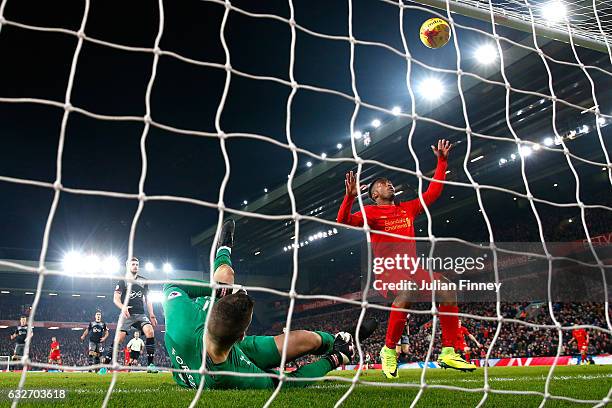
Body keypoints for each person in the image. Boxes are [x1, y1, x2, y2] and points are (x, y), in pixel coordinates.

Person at [162, 219, 378, 389]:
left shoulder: (183, 324)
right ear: (242, 336)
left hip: (210, 348)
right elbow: (288, 384)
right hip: (228, 360)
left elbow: (170, 284)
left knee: (226, 277)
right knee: (306, 339)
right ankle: (345, 345)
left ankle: (223, 251)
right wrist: (334, 360)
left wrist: (219, 290)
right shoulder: (234, 377)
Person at [337, 139, 476, 377]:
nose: (389, 185)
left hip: (413, 268)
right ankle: (388, 350)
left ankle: (449, 352)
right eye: (383, 184)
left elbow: (433, 192)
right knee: (407, 290)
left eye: (390, 183)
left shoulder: (407, 208)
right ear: (374, 194)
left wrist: (442, 162)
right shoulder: (371, 212)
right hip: (388, 270)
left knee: (447, 289)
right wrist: (349, 197)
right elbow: (343, 220)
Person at [104, 257, 158, 373]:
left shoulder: (144, 281)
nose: (135, 266)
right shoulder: (122, 281)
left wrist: (152, 314)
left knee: (150, 332)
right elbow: (116, 298)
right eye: (133, 264)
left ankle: (150, 365)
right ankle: (105, 366)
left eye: (137, 264)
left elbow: (148, 299)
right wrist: (123, 307)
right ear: (128, 266)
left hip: (141, 314)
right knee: (119, 339)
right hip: (127, 315)